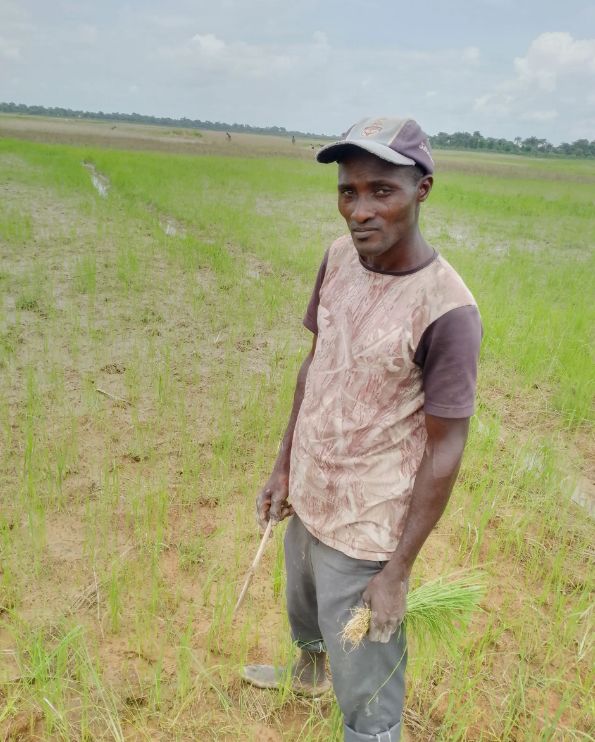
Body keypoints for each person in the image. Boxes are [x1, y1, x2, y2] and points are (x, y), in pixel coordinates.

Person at [241, 116, 482, 742]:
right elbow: (315, 365)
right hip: (311, 494)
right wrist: (284, 466)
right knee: (306, 614)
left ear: (422, 190)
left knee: (370, 697)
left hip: (368, 525)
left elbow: (446, 447)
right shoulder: (336, 259)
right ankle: (309, 672)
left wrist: (398, 569)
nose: (360, 210)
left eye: (383, 191)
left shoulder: (447, 311)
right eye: (349, 191)